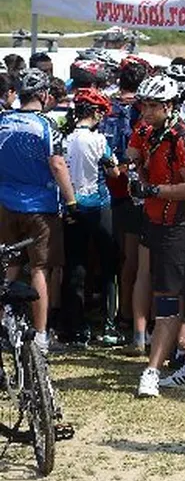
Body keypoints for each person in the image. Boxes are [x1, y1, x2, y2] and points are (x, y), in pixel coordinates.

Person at [130, 75, 185, 397]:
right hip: (157, 222)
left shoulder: (184, 140)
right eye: (144, 105)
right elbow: (133, 155)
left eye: (153, 106)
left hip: (181, 226)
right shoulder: (151, 132)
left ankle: (152, 371)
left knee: (168, 300)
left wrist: (152, 190)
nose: (146, 112)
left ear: (170, 106)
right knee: (177, 299)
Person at [0, 69, 76, 354]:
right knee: (40, 269)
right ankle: (41, 335)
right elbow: (57, 164)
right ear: (44, 95)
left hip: (5, 203)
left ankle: (3, 326)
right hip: (41, 206)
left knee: (9, 266)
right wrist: (71, 201)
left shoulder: (3, 121)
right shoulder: (47, 125)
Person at [60, 88, 123, 347]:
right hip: (99, 206)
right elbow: (114, 172)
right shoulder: (98, 140)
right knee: (109, 265)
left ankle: (75, 328)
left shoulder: (64, 138)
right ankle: (109, 326)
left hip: (71, 206)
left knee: (75, 266)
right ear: (96, 113)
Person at [104, 58, 149, 350]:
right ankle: (133, 319)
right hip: (136, 189)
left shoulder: (107, 107)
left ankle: (121, 315)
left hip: (108, 186)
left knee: (121, 258)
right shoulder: (142, 113)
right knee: (136, 259)